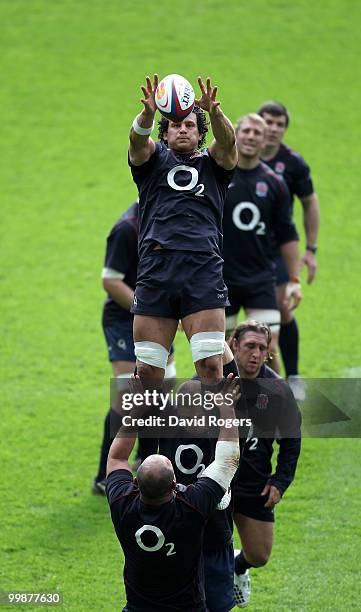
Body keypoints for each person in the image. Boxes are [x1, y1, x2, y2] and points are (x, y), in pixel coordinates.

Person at [128, 74, 237, 388]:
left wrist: (214, 112)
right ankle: (143, 438)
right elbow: (137, 142)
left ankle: (226, 437)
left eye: (190, 125)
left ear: (200, 132)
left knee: (210, 367)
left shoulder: (214, 164)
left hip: (202, 269)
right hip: (156, 270)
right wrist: (148, 114)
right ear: (166, 131)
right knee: (147, 375)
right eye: (176, 125)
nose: (183, 129)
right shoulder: (152, 161)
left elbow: (229, 143)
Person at [106, 376, 240, 611]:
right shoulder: (191, 508)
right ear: (175, 485)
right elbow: (227, 461)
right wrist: (227, 409)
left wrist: (136, 410)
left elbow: (116, 457)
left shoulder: (121, 503)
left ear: (135, 482)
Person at [93, 202, 176, 494]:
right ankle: (106, 473)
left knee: (161, 396)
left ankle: (148, 464)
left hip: (161, 317)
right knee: (129, 395)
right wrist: (147, 309)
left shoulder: (175, 218)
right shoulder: (128, 228)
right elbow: (111, 280)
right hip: (125, 319)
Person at [158, 344, 243, 612]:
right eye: (187, 407)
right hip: (180, 540)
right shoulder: (166, 430)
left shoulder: (219, 427)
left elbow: (230, 373)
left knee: (217, 606)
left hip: (215, 538)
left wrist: (211, 334)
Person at [228, 320, 301, 608]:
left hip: (253, 483)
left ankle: (238, 566)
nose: (256, 354)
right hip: (214, 481)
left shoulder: (278, 391)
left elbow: (291, 441)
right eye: (250, 346)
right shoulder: (215, 379)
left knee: (259, 555)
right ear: (234, 345)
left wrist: (280, 480)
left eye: (262, 348)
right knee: (201, 554)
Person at [223, 113, 301, 373]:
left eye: (258, 132)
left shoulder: (274, 184)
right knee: (222, 350)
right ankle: (223, 408)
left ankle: (276, 404)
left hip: (259, 279)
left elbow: (287, 233)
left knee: (267, 348)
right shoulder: (219, 175)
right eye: (246, 131)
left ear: (264, 139)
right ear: (236, 133)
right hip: (220, 280)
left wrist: (294, 279)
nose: (251, 136)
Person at [258, 101, 320, 398]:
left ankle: (292, 377)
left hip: (279, 250)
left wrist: (311, 249)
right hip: (243, 251)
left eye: (279, 124)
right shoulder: (239, 154)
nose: (272, 128)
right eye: (267, 121)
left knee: (283, 310)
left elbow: (310, 203)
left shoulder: (293, 164)